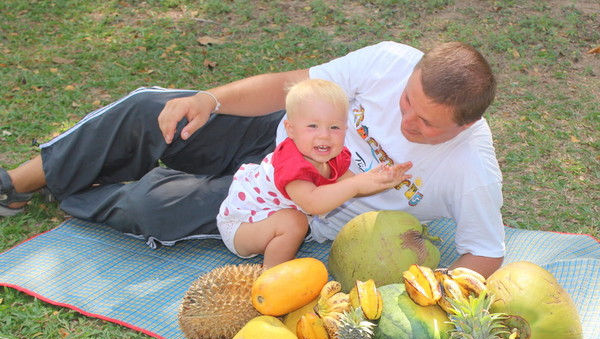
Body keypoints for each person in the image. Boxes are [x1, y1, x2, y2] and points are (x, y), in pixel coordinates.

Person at [0, 41, 504, 277]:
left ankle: (82, 193)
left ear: (464, 125)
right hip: (280, 134)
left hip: (300, 201)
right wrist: (210, 101)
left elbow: (485, 251)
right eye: (407, 100)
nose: (406, 117)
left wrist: (429, 294)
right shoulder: (391, 62)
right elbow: (291, 86)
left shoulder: (472, 169)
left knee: (155, 206)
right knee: (153, 112)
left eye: (425, 123)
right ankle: (18, 183)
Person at [217, 79, 412, 268]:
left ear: (345, 129)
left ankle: (281, 254)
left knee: (294, 221)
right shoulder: (291, 162)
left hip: (267, 222)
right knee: (294, 223)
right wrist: (356, 184)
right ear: (291, 130)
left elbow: (352, 187)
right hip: (242, 226)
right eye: (312, 126)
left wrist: (378, 181)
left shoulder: (335, 156)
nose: (324, 135)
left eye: (334, 127)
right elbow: (314, 204)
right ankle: (273, 276)